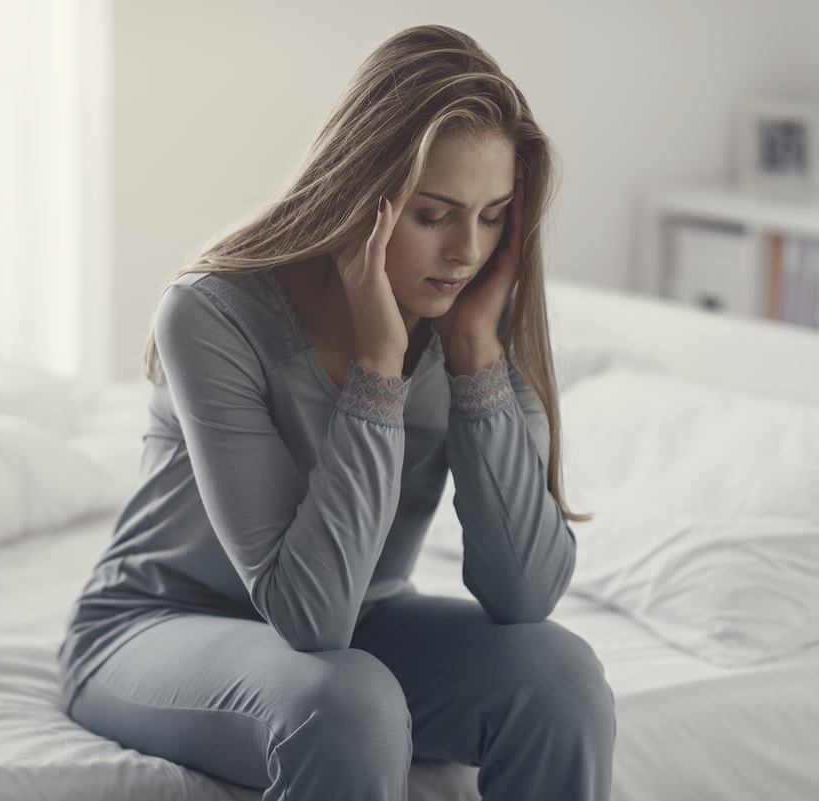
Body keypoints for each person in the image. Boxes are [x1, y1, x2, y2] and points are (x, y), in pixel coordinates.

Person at [58, 24, 615, 801]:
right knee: (350, 703)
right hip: (156, 623)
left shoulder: (473, 318)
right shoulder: (213, 314)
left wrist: (475, 358)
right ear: (366, 197)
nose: (467, 252)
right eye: (435, 215)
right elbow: (310, 617)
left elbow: (525, 595)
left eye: (492, 217)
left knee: (563, 679)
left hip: (365, 620)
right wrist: (379, 370)